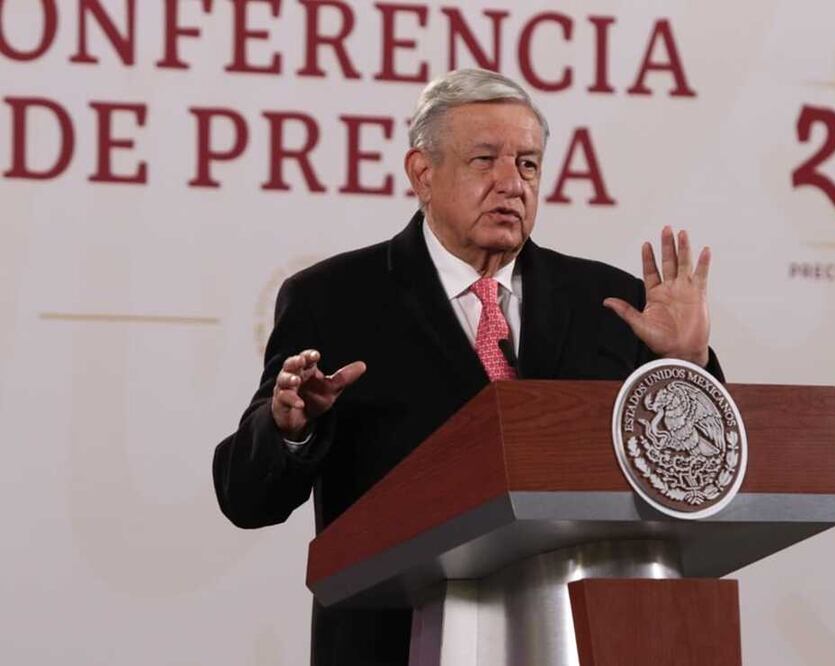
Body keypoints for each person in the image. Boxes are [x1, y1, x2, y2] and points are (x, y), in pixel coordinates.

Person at [213, 68, 724, 666]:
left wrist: (688, 365)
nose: (512, 183)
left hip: (590, 638)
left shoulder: (612, 304)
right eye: (485, 161)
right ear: (422, 175)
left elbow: (697, 474)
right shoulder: (332, 300)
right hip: (396, 643)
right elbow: (246, 498)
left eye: (528, 164)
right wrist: (289, 429)